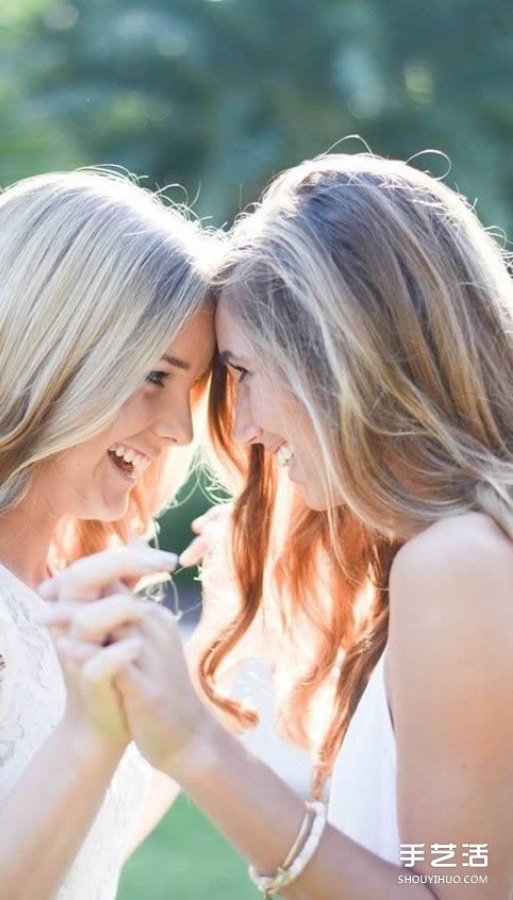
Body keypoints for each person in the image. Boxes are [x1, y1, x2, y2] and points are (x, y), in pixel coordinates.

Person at [39, 152, 513, 899]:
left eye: (246, 374)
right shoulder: (452, 555)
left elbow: (473, 881)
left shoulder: (457, 563)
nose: (248, 428)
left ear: (342, 363)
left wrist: (197, 745)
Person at [0, 169, 217, 898]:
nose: (178, 429)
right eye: (152, 375)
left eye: (191, 391)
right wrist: (91, 733)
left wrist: (224, 642)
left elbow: (80, 850)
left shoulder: (50, 579)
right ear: (46, 351)